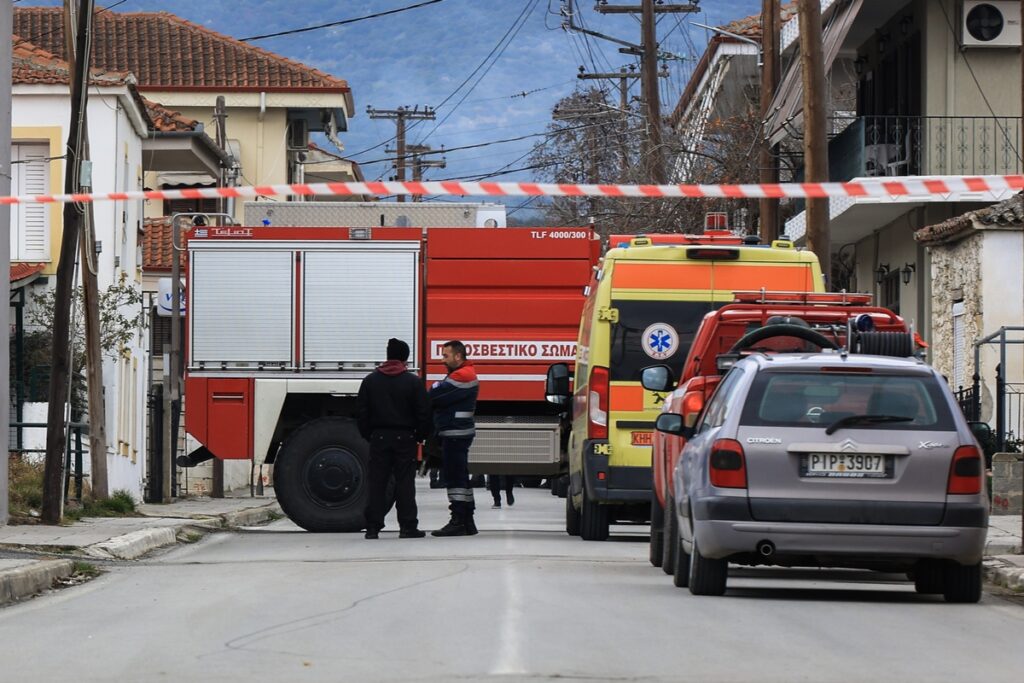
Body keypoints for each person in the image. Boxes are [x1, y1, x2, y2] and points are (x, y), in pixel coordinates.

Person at [357, 338, 432, 539]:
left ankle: (373, 527)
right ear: (405, 357)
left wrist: (368, 435)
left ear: (388, 355)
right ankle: (407, 527)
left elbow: (362, 412)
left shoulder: (370, 380)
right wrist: (421, 436)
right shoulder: (413, 382)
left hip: (379, 437)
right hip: (405, 438)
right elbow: (424, 413)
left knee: (377, 483)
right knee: (405, 483)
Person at [429, 340, 479, 537]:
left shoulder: (462, 375)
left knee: (454, 478)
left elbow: (434, 394)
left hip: (455, 433)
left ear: (458, 356)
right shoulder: (464, 374)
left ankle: (458, 520)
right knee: (461, 477)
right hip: (457, 433)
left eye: (445, 355)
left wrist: (435, 386)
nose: (443, 359)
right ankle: (467, 520)